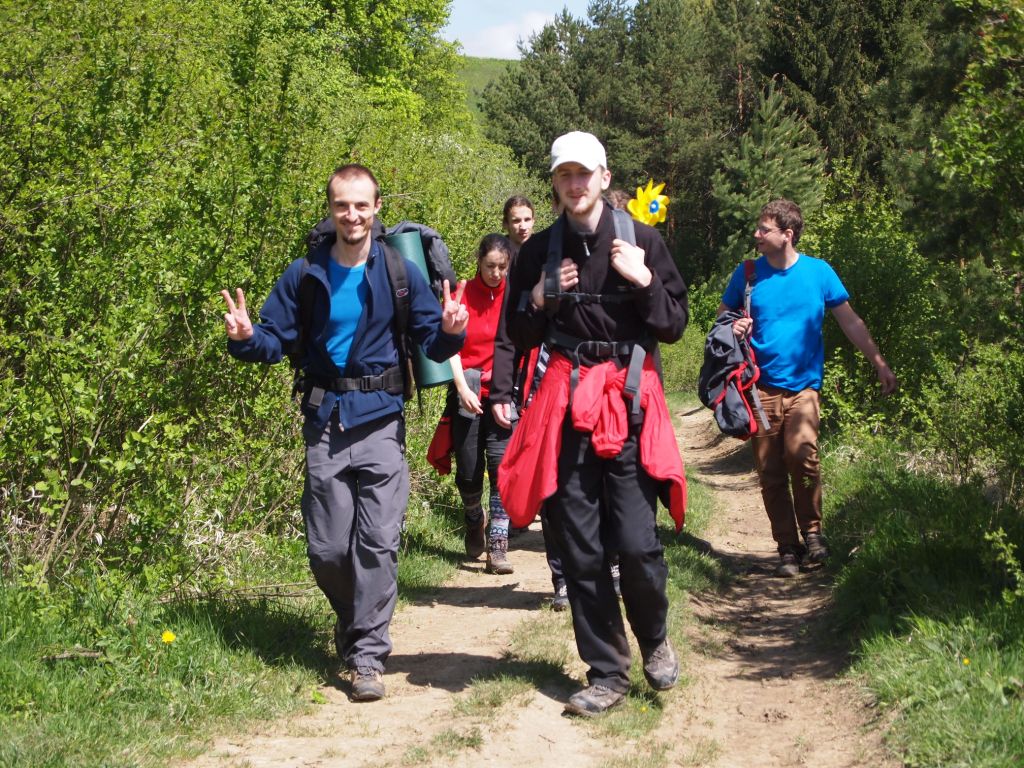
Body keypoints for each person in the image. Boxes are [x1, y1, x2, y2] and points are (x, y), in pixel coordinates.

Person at [220, 164, 468, 702]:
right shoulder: (305, 273)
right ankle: (355, 621)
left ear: (376, 208)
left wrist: (452, 330)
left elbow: (432, 339)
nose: (351, 215)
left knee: (377, 543)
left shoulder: (400, 271)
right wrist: (245, 337)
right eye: (341, 205)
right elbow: (274, 340)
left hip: (381, 419)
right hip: (325, 420)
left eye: (360, 205)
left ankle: (367, 656)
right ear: (330, 210)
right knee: (328, 549)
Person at [496, 131, 689, 717]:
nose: (575, 184)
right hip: (565, 407)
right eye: (564, 175)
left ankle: (654, 638)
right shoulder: (538, 252)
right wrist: (538, 298)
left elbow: (675, 324)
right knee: (580, 548)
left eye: (584, 173)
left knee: (636, 543)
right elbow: (516, 335)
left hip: (626, 405)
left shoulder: (643, 240)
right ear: (555, 183)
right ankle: (606, 672)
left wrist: (644, 281)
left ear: (604, 178)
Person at [717, 198, 897, 578]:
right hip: (758, 388)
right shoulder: (747, 274)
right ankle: (787, 547)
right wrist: (734, 326)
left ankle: (813, 534)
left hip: (804, 387)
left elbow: (850, 322)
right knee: (770, 471)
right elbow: (722, 320)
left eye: (764, 229)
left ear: (787, 234)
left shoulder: (819, 272)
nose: (757, 234)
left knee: (802, 456)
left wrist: (878, 361)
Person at [445, 234, 517, 573]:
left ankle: (498, 547)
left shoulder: (514, 295)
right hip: (467, 388)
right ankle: (475, 519)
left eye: (502, 266)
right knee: (468, 471)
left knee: (501, 469)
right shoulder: (462, 295)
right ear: (479, 261)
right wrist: (462, 388)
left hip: (503, 393)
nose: (496, 273)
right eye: (490, 266)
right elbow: (450, 346)